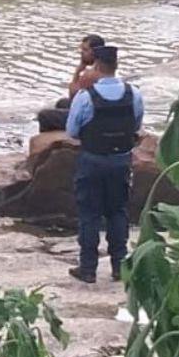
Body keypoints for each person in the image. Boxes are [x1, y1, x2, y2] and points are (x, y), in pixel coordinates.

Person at [65, 45, 144, 284]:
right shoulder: (134, 94)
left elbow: (72, 131)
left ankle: (87, 268)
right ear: (116, 66)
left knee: (89, 213)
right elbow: (137, 125)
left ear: (97, 66)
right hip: (121, 160)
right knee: (117, 211)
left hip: (92, 159)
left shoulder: (85, 97)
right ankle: (120, 266)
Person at [38, 34, 106, 132]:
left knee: (44, 115)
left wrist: (78, 70)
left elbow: (74, 96)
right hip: (95, 111)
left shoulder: (90, 74)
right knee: (62, 103)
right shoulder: (104, 68)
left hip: (88, 118)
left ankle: (49, 142)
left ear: (95, 52)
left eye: (85, 50)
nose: (81, 53)